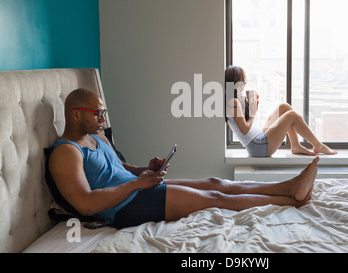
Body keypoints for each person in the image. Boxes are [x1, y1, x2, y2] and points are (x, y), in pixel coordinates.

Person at [47, 88, 320, 229]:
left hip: (137, 190)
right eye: (97, 113)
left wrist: (144, 169)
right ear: (75, 114)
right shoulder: (66, 153)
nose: (102, 119)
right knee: (216, 199)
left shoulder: (97, 136)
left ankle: (289, 187)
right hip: (124, 209)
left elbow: (117, 168)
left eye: (102, 112)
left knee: (216, 182)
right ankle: (291, 200)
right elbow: (84, 204)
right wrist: (135, 185)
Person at [225, 65, 337, 157]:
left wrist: (251, 107)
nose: (245, 82)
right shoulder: (233, 102)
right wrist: (253, 112)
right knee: (292, 115)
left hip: (259, 137)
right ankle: (318, 145)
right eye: (243, 79)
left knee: (284, 107)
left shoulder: (237, 99)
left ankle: (296, 145)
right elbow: (244, 130)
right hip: (258, 147)